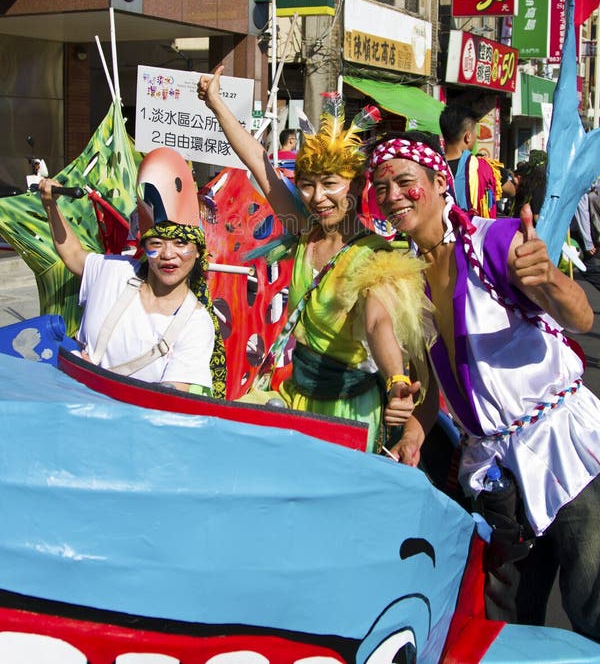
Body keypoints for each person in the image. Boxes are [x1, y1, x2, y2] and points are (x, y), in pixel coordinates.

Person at [369, 132, 600, 640]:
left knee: (591, 600)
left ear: (438, 181)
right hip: (496, 472)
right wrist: (415, 432)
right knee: (507, 621)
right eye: (381, 187)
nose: (391, 196)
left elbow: (580, 315)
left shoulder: (493, 240)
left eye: (405, 182)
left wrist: (549, 279)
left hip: (565, 448)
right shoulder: (407, 277)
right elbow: (434, 384)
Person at [197, 67, 433, 452]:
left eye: (330, 184)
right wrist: (216, 103)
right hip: (297, 396)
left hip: (349, 412)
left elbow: (378, 322)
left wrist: (396, 381)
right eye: (307, 184)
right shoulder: (304, 227)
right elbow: (259, 163)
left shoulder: (377, 256)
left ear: (356, 187)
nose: (316, 196)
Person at [38, 148, 226, 396]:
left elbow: (169, 402)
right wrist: (50, 205)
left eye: (181, 244)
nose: (168, 254)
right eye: (156, 244)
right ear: (144, 247)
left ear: (199, 252)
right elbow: (73, 254)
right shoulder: (113, 272)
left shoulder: (196, 323)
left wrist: (95, 380)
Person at [439, 103, 498, 217]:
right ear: (468, 136)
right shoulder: (483, 168)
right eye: (476, 133)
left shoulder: (432, 168)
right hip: (473, 232)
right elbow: (510, 190)